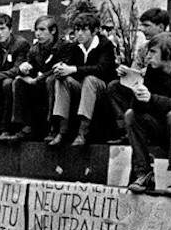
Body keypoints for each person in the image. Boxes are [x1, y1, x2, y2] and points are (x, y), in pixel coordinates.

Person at [124, 32, 171, 193]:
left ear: (166, 54)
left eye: (153, 52)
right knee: (130, 114)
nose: (148, 57)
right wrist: (134, 84)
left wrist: (152, 98)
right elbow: (141, 108)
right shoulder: (153, 71)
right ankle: (144, 172)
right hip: (164, 130)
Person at [46, 12, 117, 147]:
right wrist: (62, 67)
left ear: (95, 31)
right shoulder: (75, 46)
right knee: (62, 79)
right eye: (77, 30)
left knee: (90, 79)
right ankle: (62, 130)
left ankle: (83, 132)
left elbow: (102, 69)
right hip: (82, 90)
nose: (79, 34)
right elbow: (68, 65)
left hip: (102, 90)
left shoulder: (105, 45)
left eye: (84, 30)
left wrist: (73, 69)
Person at [107, 7, 171, 142]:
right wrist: (125, 72)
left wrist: (151, 73)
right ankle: (126, 130)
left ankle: (147, 131)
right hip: (141, 88)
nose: (142, 29)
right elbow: (134, 71)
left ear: (160, 27)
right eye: (142, 25)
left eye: (147, 25)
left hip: (162, 94)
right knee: (114, 86)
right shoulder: (144, 47)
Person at [1, 15, 62, 141]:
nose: (38, 34)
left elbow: (58, 68)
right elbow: (26, 66)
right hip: (39, 86)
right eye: (36, 30)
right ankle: (25, 126)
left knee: (52, 80)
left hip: (55, 83)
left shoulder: (64, 46)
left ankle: (53, 127)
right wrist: (23, 69)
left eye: (42, 30)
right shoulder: (34, 50)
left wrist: (36, 80)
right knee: (18, 81)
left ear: (53, 31)